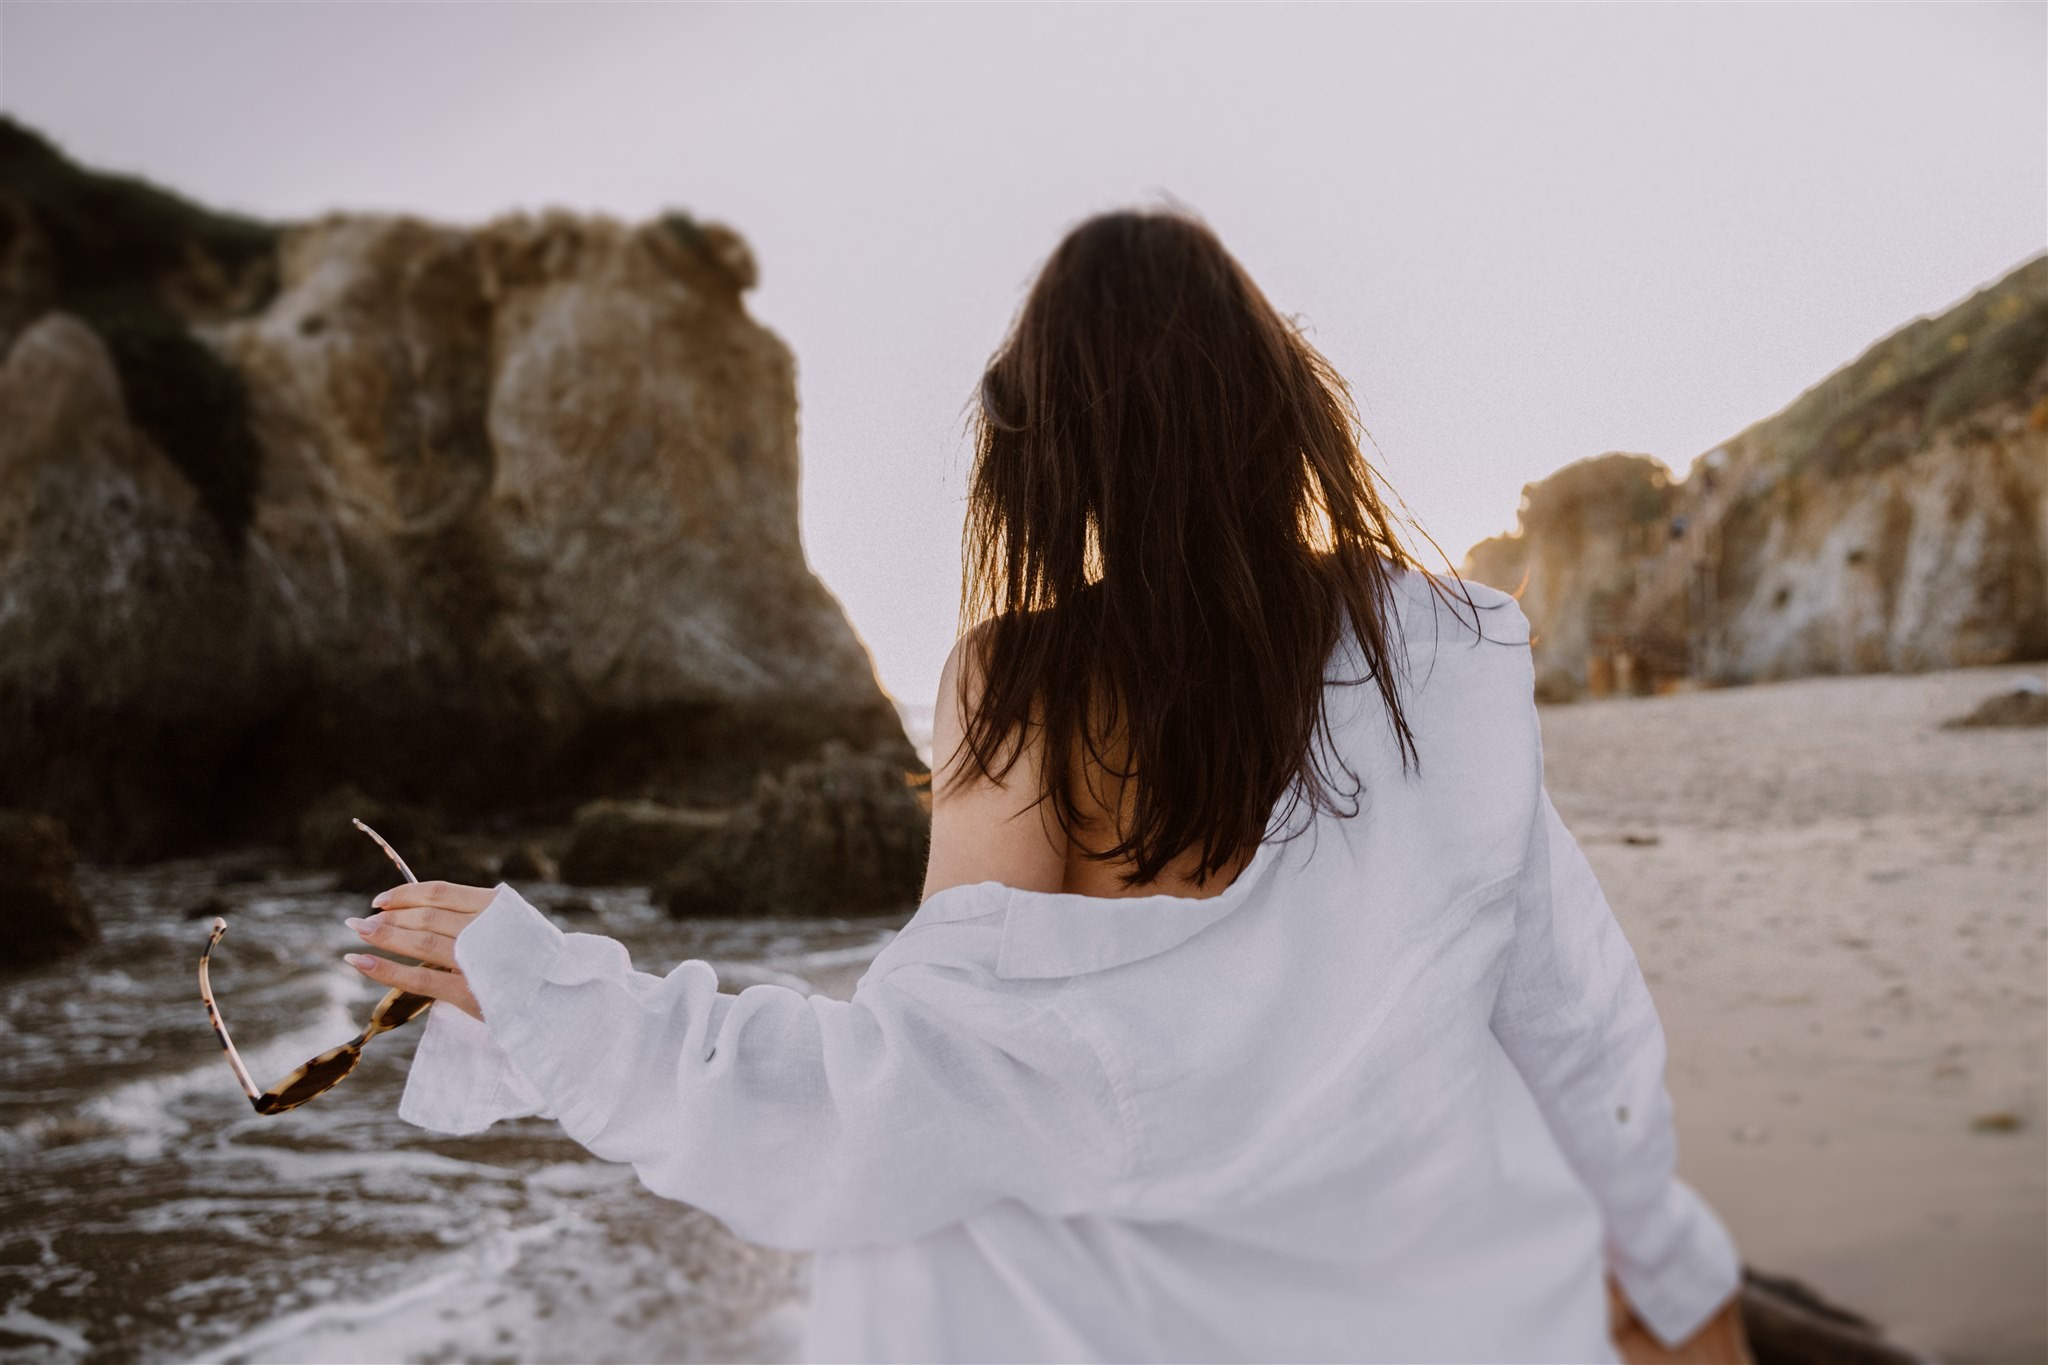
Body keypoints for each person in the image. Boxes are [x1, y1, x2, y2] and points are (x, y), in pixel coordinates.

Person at [351, 207, 1752, 1364]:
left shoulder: (1020, 684)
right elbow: (1579, 1032)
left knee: (934, 1231)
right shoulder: (1436, 656)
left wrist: (544, 989)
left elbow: (909, 1096)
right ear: (1279, 414)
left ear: (1044, 460)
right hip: (1415, 1316)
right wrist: (1669, 1268)